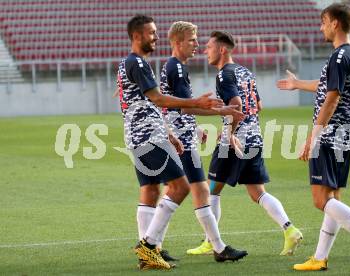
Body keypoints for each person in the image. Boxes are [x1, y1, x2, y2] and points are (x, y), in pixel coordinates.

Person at [277, 4, 350, 273]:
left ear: (335, 23)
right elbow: (329, 86)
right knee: (333, 196)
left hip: (330, 134)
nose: (321, 27)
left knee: (320, 199)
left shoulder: (340, 56)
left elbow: (332, 97)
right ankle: (320, 257)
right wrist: (298, 84)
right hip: (344, 134)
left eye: (323, 22)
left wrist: (313, 137)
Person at [117, 15, 233, 270]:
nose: (156, 37)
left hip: (144, 135)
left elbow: (149, 102)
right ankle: (148, 246)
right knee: (180, 187)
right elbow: (159, 99)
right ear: (137, 36)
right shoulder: (136, 62)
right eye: (151, 33)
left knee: (150, 190)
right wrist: (196, 103)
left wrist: (168, 133)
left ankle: (150, 251)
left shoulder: (132, 63)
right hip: (147, 136)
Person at [187, 30, 303, 257]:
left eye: (209, 47)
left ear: (222, 50)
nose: (205, 51)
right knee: (257, 192)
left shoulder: (223, 75)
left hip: (234, 142)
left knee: (211, 190)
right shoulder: (245, 72)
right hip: (254, 138)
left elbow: (237, 104)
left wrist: (228, 133)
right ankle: (290, 230)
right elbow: (257, 106)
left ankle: (211, 241)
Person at [150, 21, 248, 263]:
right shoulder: (177, 69)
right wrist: (223, 111)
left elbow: (183, 108)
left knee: (179, 190)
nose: (197, 44)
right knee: (197, 190)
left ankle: (155, 244)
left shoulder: (175, 67)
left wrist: (195, 126)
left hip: (181, 134)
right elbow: (187, 105)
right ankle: (216, 248)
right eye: (192, 40)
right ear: (177, 42)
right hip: (180, 139)